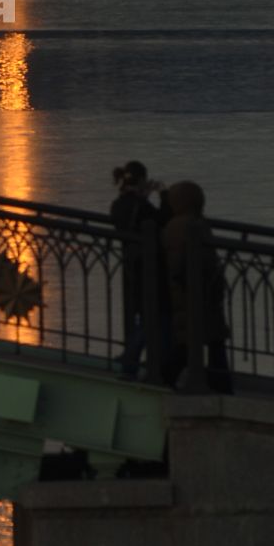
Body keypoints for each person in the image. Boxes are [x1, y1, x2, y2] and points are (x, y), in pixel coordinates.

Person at [161, 179, 233, 394]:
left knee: (195, 341)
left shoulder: (172, 226)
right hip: (199, 294)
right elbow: (204, 260)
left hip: (189, 294)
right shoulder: (194, 225)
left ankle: (216, 384)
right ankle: (219, 386)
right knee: (205, 340)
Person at [109, 160, 167, 381]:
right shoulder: (142, 206)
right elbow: (162, 221)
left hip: (129, 266)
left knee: (138, 313)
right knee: (152, 315)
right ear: (142, 179)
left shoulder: (118, 205)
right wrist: (162, 194)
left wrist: (143, 197)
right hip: (149, 267)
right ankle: (134, 359)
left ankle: (134, 358)